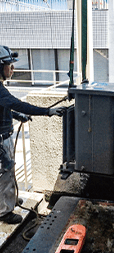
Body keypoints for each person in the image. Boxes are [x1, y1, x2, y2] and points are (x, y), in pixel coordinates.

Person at [0, 45, 65, 224]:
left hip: (4, 136)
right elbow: (17, 103)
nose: (12, 69)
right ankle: (4, 212)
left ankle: (10, 200)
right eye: (9, 65)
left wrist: (17, 115)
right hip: (1, 140)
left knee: (9, 170)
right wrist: (47, 111)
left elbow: (6, 108)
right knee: (5, 173)